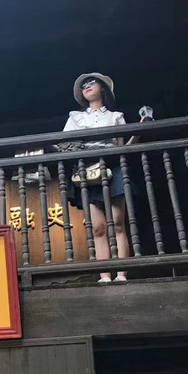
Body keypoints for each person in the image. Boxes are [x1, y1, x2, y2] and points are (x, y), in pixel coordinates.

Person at [62, 72, 138, 285]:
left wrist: (139, 132)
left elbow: (121, 147)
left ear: (102, 87)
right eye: (83, 85)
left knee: (118, 223)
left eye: (91, 82)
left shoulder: (116, 117)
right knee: (97, 227)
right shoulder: (75, 118)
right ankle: (105, 276)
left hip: (113, 167)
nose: (86, 86)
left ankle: (121, 274)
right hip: (87, 169)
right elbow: (65, 144)